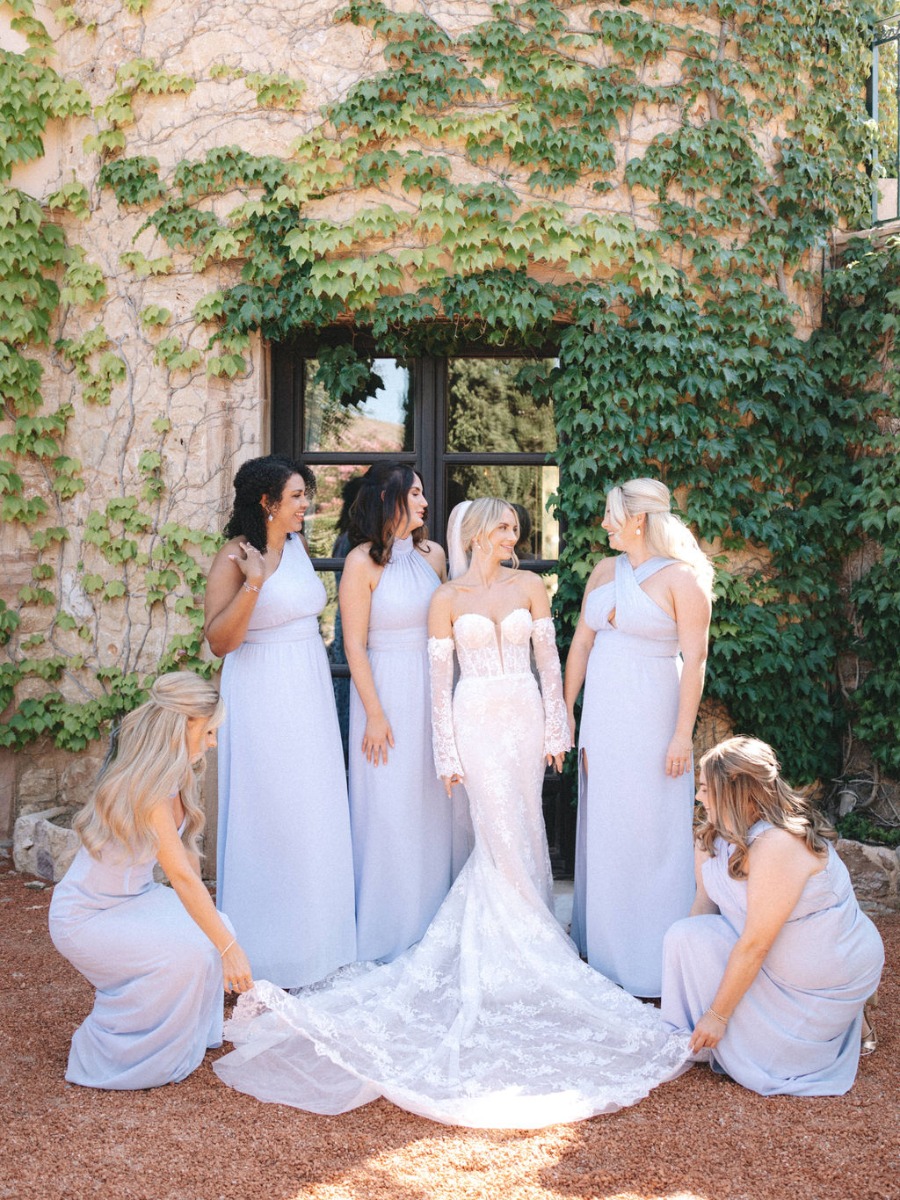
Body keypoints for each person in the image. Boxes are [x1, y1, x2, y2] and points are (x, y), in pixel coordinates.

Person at [213, 498, 690, 1129]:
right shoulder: (446, 598)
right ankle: (517, 941)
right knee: (493, 829)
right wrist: (445, 753)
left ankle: (534, 925)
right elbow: (440, 685)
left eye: (515, 530)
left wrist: (556, 727)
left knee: (524, 827)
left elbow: (551, 661)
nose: (511, 538)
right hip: (474, 722)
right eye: (502, 528)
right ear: (476, 534)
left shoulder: (530, 586)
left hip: (522, 717)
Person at [48, 672, 253, 1090]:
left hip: (135, 897)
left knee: (220, 928)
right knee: (190, 954)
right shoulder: (147, 788)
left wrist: (218, 932)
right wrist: (228, 951)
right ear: (186, 725)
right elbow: (178, 876)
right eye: (210, 731)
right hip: (87, 916)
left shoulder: (178, 775)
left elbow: (189, 864)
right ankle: (117, 1055)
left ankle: (189, 1039)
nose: (213, 742)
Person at [661, 736, 885, 1096]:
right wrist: (688, 978)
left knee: (769, 1067)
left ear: (735, 791)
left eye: (705, 789)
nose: (698, 798)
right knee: (684, 935)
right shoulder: (709, 838)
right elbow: (703, 910)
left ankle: (845, 1020)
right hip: (773, 959)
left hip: (825, 974)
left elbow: (756, 943)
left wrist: (717, 1016)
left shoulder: (777, 843)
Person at [205, 454, 355, 988]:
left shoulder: (297, 547)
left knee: (313, 809)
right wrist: (253, 583)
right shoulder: (234, 556)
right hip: (261, 688)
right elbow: (220, 642)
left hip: (307, 685)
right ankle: (265, 954)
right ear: (267, 503)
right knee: (271, 811)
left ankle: (319, 947)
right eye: (295, 497)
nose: (304, 505)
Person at [564, 477, 713, 997]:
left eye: (611, 515)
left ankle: (652, 958)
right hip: (602, 721)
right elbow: (581, 645)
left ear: (639, 520)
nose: (604, 523)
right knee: (606, 827)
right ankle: (602, 951)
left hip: (653, 720)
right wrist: (565, 712)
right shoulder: (605, 571)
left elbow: (694, 662)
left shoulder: (683, 580)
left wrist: (681, 737)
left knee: (651, 833)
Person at [340, 462, 459, 962]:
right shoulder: (361, 564)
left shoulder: (434, 557)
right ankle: (388, 929)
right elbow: (353, 644)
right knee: (387, 807)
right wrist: (374, 713)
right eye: (414, 493)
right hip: (384, 690)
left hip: (432, 687)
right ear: (390, 499)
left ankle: (433, 926)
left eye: (423, 493)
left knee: (432, 806)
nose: (424, 502)